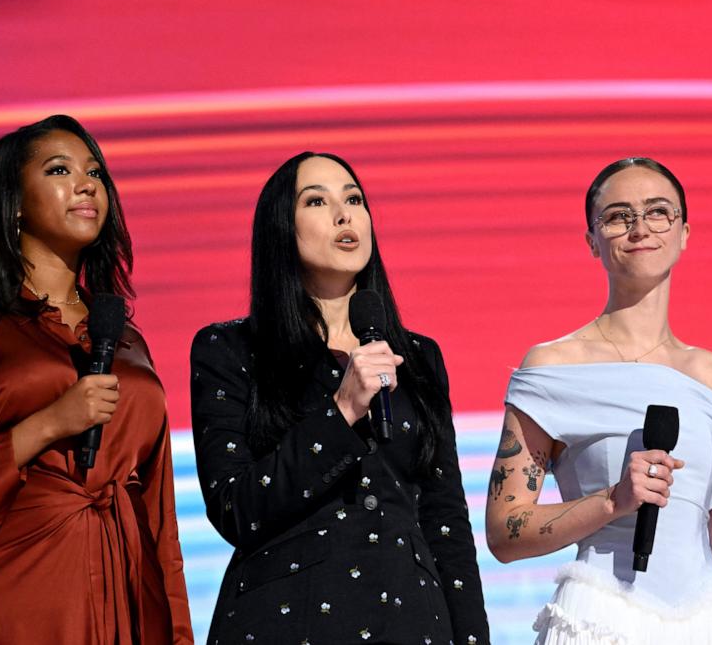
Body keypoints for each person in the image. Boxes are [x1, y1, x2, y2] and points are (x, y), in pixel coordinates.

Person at [0, 115, 193, 644]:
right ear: (12, 202)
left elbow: (160, 522)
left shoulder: (124, 339)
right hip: (13, 600)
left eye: (96, 173)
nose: (87, 185)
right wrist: (49, 424)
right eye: (60, 170)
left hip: (128, 597)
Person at [190, 152, 490, 644]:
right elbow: (234, 507)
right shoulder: (230, 348)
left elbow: (445, 523)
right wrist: (342, 410)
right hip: (287, 616)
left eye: (353, 198)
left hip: (412, 616)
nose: (344, 214)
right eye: (317, 201)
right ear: (280, 229)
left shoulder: (417, 357)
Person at [486, 157, 712, 643]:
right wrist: (612, 500)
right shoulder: (554, 368)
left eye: (659, 212)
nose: (640, 228)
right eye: (618, 216)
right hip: (601, 618)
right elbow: (504, 532)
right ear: (592, 241)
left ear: (683, 233)